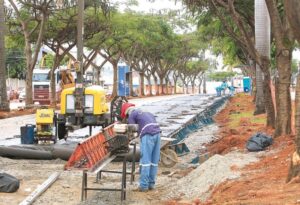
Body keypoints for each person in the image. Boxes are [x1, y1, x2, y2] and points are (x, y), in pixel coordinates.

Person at [120, 103, 161, 192]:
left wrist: (128, 138)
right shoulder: (145, 111)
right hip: (157, 134)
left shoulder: (132, 114)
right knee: (154, 161)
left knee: (145, 161)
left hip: (148, 134)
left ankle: (143, 186)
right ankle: (151, 184)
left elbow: (132, 129)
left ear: (127, 112)